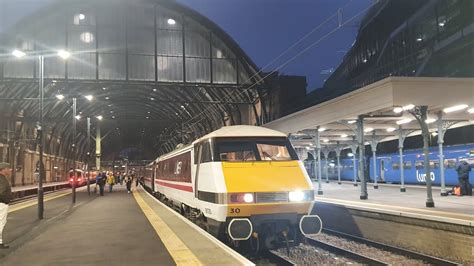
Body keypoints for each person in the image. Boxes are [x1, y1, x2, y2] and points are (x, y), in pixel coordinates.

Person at [0, 162, 12, 249]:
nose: (9, 170)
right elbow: (1, 191)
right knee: (1, 222)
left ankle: (0, 241)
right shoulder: (2, 179)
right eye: (8, 168)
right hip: (1, 204)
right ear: (3, 169)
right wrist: (5, 200)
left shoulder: (2, 178)